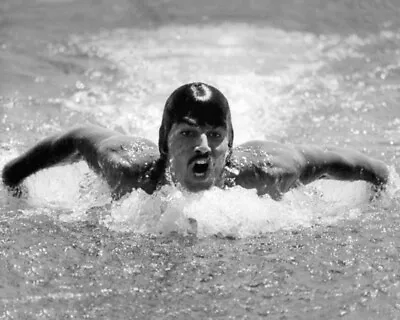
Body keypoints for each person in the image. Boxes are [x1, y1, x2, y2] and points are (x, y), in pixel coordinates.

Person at [1, 82, 389, 201]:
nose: (204, 146)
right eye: (187, 133)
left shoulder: (267, 172)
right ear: (164, 141)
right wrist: (13, 179)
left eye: (215, 136)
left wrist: (384, 182)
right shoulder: (129, 170)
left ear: (230, 144)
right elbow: (74, 138)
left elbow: (343, 162)